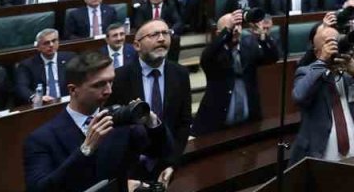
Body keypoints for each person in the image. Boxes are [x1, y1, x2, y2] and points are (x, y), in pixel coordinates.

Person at [22, 51, 174, 192]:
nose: (109, 90)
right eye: (99, 85)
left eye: (111, 82)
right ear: (73, 90)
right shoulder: (41, 139)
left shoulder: (119, 122)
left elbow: (162, 153)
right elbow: (39, 189)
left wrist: (152, 123)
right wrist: (85, 150)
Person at [289, 22, 354, 163]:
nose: (335, 47)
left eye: (337, 41)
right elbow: (299, 96)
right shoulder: (306, 72)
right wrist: (322, 62)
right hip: (321, 158)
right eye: (329, 43)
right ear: (317, 51)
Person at [107, 20, 192, 162]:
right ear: (136, 45)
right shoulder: (119, 77)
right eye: (154, 35)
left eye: (166, 33)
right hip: (131, 165)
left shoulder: (180, 73)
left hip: (168, 159)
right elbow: (113, 126)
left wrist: (173, 162)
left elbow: (184, 122)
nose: (161, 39)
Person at [191, 10, 279, 136]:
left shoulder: (249, 46)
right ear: (219, 33)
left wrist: (262, 36)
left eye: (237, 26)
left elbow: (272, 58)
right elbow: (207, 56)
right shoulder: (213, 54)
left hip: (249, 120)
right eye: (231, 27)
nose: (235, 30)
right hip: (218, 123)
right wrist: (227, 31)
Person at [14, 29, 73, 104]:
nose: (51, 45)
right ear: (38, 47)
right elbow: (21, 87)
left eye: (54, 41)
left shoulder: (70, 58)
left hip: (67, 102)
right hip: (43, 104)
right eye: (46, 43)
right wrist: (35, 97)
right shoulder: (27, 65)